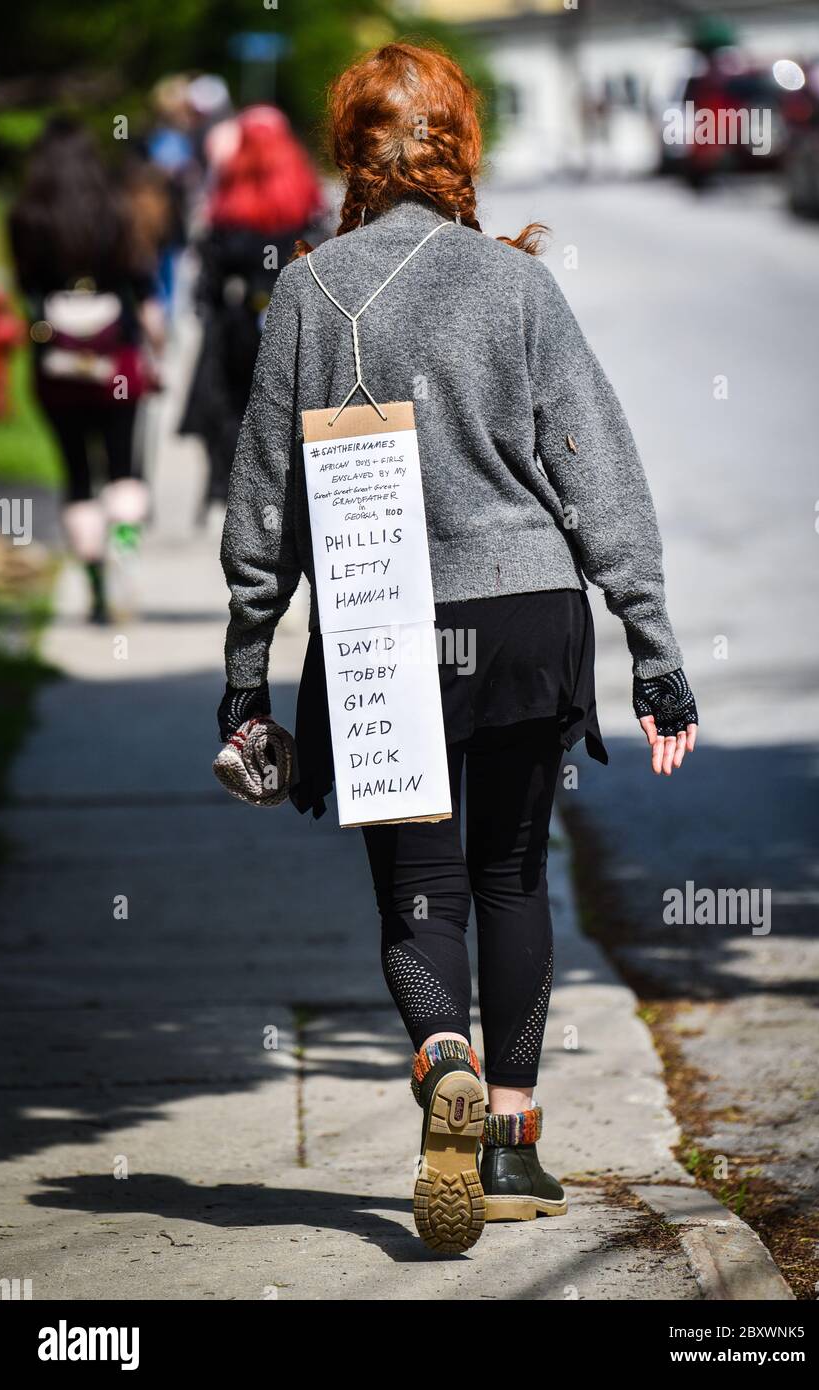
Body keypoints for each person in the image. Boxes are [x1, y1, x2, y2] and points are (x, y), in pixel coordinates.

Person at [217, 42, 698, 1255]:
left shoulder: (310, 294)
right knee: (514, 877)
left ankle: (444, 1061)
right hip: (529, 614)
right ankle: (514, 1148)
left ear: (347, 153)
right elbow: (600, 476)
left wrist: (245, 669)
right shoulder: (518, 287)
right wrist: (652, 646)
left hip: (390, 628)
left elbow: (263, 500)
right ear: (458, 147)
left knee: (420, 892)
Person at [8, 117, 163, 622]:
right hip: (114, 356)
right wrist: (154, 345)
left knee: (77, 474)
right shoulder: (116, 210)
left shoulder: (26, 215)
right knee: (123, 468)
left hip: (56, 361)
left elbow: (24, 287)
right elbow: (142, 286)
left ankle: (94, 582)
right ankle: (125, 561)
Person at [179, 105, 325, 516]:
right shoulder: (304, 198)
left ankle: (238, 492)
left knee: (236, 403)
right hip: (295, 318)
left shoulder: (228, 198)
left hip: (239, 321)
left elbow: (206, 283)